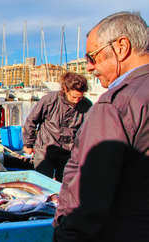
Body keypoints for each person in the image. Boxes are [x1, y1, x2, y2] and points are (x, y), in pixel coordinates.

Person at [53, 11, 149, 241]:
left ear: (121, 47)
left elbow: (88, 194)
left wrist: (66, 234)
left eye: (92, 57)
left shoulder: (116, 105)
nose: (89, 67)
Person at [22, 72, 92, 181]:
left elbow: (88, 132)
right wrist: (28, 143)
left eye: (80, 97)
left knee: (66, 184)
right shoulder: (49, 100)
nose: (77, 100)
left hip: (68, 152)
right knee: (43, 182)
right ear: (65, 89)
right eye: (74, 97)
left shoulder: (86, 105)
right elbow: (31, 121)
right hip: (45, 149)